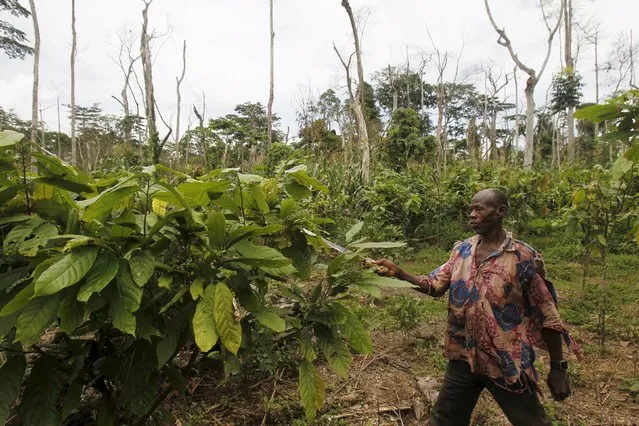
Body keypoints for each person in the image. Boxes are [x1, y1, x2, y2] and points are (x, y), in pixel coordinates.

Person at [372, 188, 581, 426]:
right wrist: (399, 273)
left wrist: (558, 367)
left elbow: (548, 315)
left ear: (500, 212)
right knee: (443, 421)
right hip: (463, 357)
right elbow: (435, 286)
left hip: (505, 362)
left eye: (478, 209)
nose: (471, 214)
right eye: (470, 209)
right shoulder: (462, 250)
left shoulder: (523, 257)